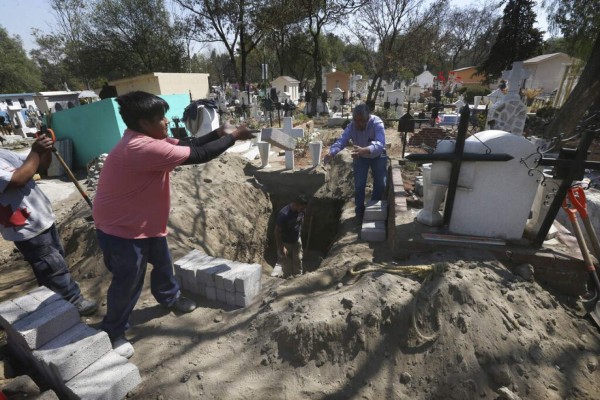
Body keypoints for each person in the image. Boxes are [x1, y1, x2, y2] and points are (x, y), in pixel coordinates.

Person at [93, 91, 254, 359]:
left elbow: (190, 142)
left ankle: (169, 297)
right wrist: (234, 136)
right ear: (144, 123)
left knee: (163, 262)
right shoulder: (142, 147)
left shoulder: (147, 138)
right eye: (161, 118)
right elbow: (199, 154)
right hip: (121, 229)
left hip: (145, 222)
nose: (167, 121)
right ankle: (113, 330)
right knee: (128, 280)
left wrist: (219, 133)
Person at [0, 137, 98, 316]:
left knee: (55, 261)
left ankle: (54, 299)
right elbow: (18, 179)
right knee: (51, 266)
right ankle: (72, 300)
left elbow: (37, 166)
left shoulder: (3, 154)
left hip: (41, 218)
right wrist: (36, 151)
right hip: (25, 228)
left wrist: (44, 151)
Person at [323, 104, 387, 220]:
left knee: (381, 183)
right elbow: (341, 141)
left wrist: (365, 150)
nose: (358, 124)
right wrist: (331, 152)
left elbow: (380, 143)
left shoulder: (377, 123)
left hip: (377, 155)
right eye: (356, 120)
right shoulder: (352, 126)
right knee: (359, 185)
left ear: (368, 118)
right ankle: (359, 212)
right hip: (360, 157)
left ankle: (373, 209)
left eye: (361, 121)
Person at [274, 195, 308, 278]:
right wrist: (281, 247)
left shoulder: (302, 210)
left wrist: (299, 232)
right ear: (296, 204)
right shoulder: (284, 214)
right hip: (286, 242)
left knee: (298, 258)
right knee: (286, 262)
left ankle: (298, 277)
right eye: (302, 208)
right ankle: (287, 278)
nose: (303, 210)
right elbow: (277, 232)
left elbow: (301, 220)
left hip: (296, 240)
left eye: (304, 208)